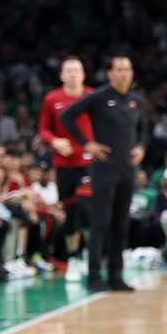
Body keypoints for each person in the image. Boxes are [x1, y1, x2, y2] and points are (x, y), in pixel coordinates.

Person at [59, 55, 148, 292]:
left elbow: (144, 128)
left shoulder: (136, 100)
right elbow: (67, 116)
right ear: (109, 73)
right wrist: (86, 144)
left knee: (121, 224)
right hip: (104, 169)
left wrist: (141, 146)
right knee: (100, 224)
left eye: (127, 69)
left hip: (127, 170)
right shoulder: (98, 97)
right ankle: (94, 276)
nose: (123, 73)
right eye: (118, 69)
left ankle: (116, 275)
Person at [37, 55, 93, 275]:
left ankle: (90, 254)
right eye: (68, 70)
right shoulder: (52, 99)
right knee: (69, 213)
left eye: (76, 70)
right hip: (63, 164)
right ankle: (73, 256)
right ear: (61, 75)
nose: (72, 73)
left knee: (86, 206)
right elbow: (43, 129)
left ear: (83, 74)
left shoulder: (91, 97)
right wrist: (55, 141)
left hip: (88, 163)